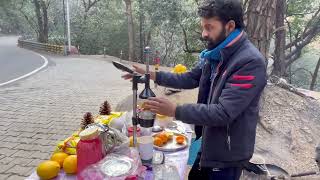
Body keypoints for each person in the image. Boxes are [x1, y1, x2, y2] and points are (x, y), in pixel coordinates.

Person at [122, 0, 267, 179]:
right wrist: (151, 74)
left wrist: (175, 110)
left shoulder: (250, 62)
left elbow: (223, 113)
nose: (204, 34)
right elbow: (191, 78)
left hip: (227, 155)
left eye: (209, 27)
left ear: (230, 26)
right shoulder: (216, 53)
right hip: (210, 141)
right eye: (202, 27)